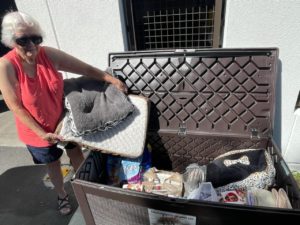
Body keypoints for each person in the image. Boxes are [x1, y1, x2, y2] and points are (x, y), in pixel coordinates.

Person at [0, 11, 128, 216]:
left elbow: (84, 68)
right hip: (35, 128)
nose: (31, 45)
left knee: (76, 152)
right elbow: (15, 106)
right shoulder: (6, 65)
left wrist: (110, 79)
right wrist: (42, 134)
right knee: (52, 162)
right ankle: (61, 194)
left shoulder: (48, 55)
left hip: (63, 120)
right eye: (23, 40)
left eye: (36, 39)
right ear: (11, 41)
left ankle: (87, 188)